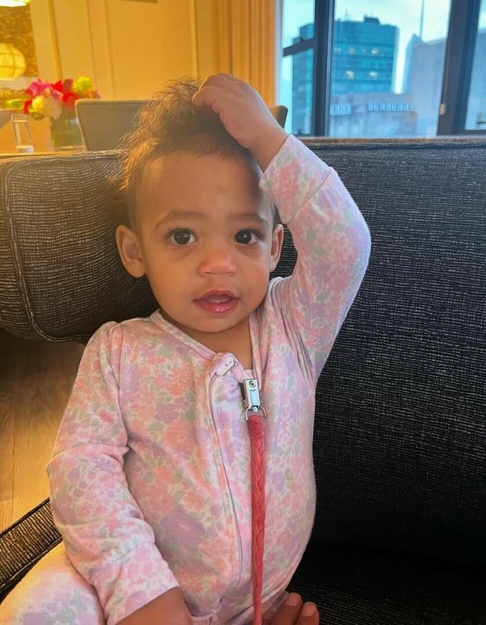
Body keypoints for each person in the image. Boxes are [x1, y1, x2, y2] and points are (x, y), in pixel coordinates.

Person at [0, 74, 370, 625]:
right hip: (130, 586)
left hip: (256, 603)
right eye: (182, 236)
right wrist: (141, 591)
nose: (217, 264)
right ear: (134, 251)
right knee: (35, 612)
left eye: (244, 236)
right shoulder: (119, 352)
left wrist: (269, 140)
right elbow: (81, 468)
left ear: (274, 247)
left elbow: (345, 246)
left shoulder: (293, 326)